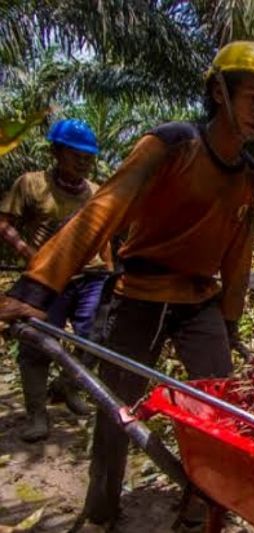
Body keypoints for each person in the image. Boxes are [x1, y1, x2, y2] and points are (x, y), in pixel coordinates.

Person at [0, 40, 254, 530]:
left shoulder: (249, 177)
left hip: (200, 300)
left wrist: (231, 321)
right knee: (118, 409)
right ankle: (100, 510)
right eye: (253, 100)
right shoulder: (173, 144)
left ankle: (202, 504)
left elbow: (239, 255)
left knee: (218, 413)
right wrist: (35, 290)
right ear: (220, 92)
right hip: (141, 294)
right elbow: (102, 210)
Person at [0, 118, 110, 442]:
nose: (83, 162)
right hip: (46, 278)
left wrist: (108, 265)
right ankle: (37, 414)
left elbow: (103, 233)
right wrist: (26, 251)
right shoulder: (31, 184)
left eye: (88, 157)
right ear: (56, 152)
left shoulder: (96, 192)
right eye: (77, 155)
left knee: (94, 338)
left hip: (89, 277)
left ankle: (68, 385)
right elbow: (4, 223)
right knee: (36, 343)